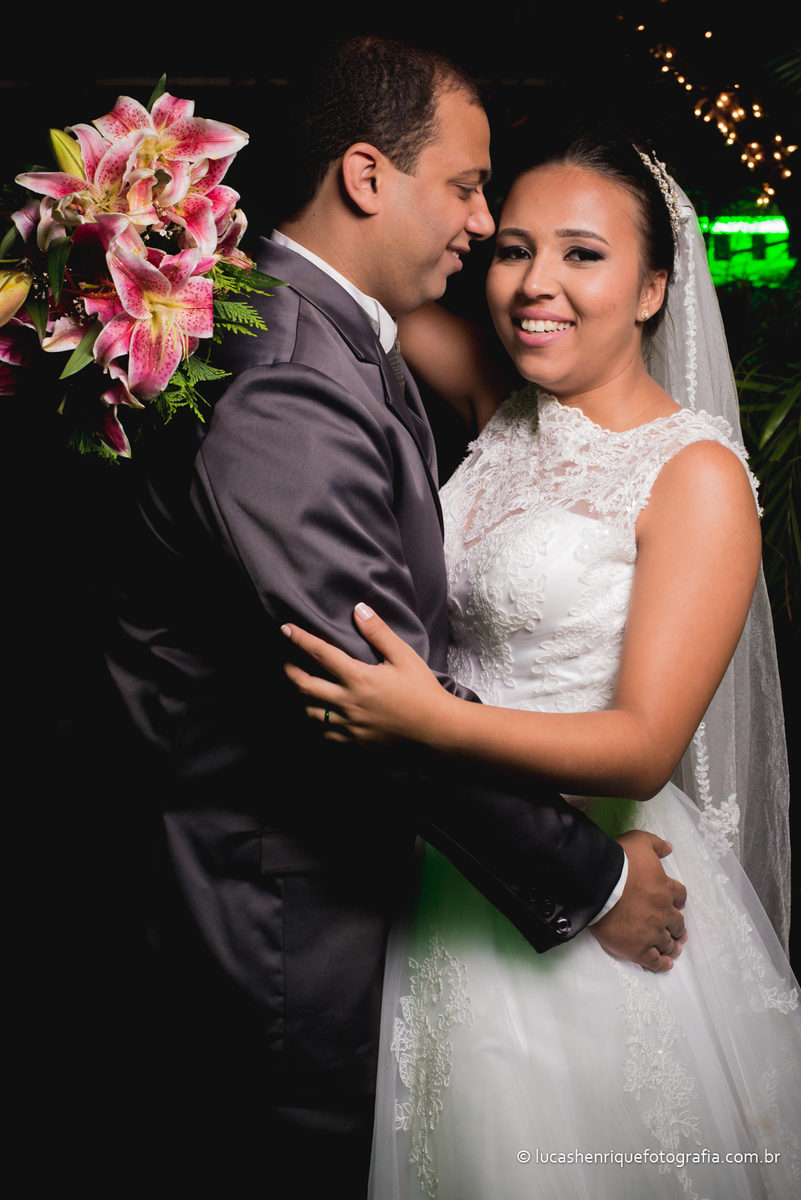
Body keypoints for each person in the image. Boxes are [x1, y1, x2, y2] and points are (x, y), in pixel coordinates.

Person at [107, 43, 687, 1191]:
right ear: (368, 176)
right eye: (469, 188)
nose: (483, 223)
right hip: (288, 916)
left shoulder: (327, 331)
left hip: (398, 886)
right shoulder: (289, 371)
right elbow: (376, 695)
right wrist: (596, 884)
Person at [282, 129, 800, 1198]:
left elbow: (644, 745)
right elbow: (342, 276)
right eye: (513, 249)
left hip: (599, 882)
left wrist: (430, 720)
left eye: (582, 255)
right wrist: (163, 225)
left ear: (653, 289)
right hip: (452, 865)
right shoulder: (499, 398)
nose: (534, 285)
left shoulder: (695, 476)